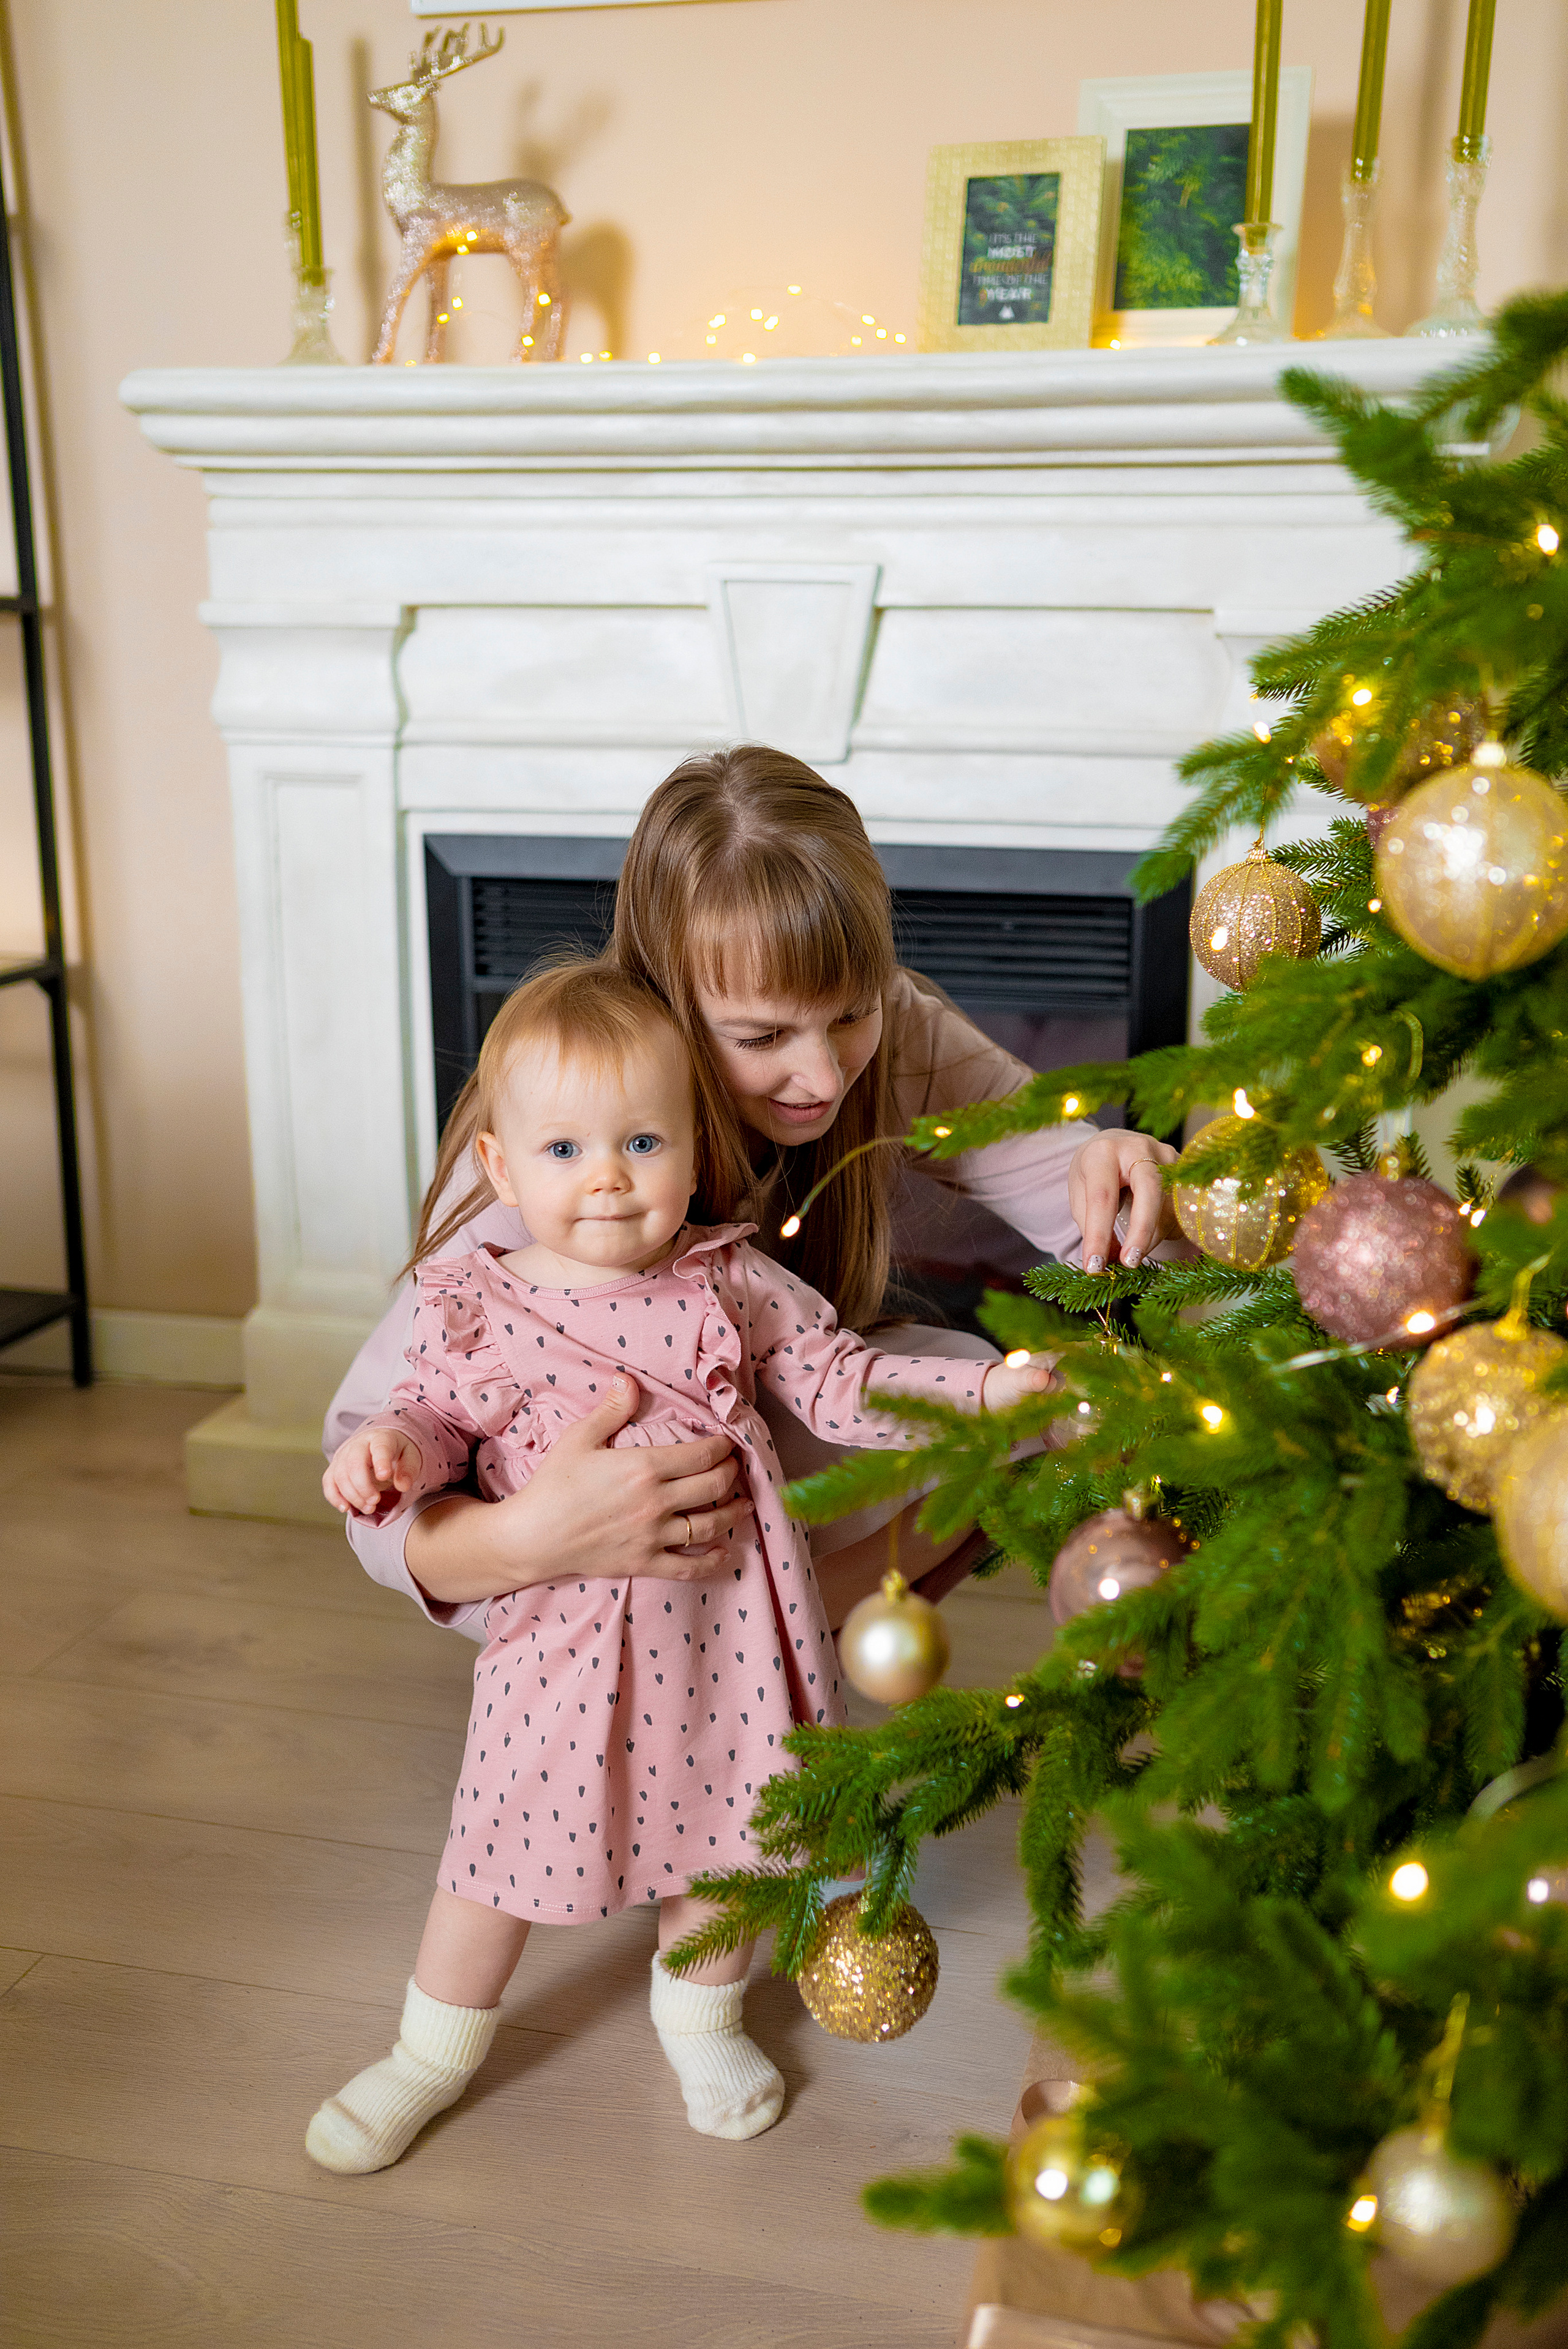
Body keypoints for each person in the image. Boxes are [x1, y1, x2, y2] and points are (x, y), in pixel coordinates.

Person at [305, 961, 1053, 2173]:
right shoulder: (482, 1304)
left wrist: (989, 1392)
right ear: (500, 1169)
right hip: (558, 1655)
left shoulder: (728, 1280)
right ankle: (429, 2053)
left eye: (641, 1143)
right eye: (563, 1151)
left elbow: (841, 1382)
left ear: (696, 1153)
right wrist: (391, 1447)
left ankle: (700, 2018)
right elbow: (434, 1421)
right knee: (497, 1854)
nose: (606, 1176)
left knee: (730, 1835)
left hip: (730, 1642)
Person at [327, 744, 1185, 1639]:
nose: (824, 1076)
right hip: (563, 1544)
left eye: (850, 1014)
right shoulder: (562, 1146)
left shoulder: (901, 1034)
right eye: (762, 1036)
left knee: (980, 1382)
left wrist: (1127, 1171)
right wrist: (530, 1536)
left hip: (758, 1461)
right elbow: (372, 1473)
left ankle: (775, 1655)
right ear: (671, 1003)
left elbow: (1111, 1213)